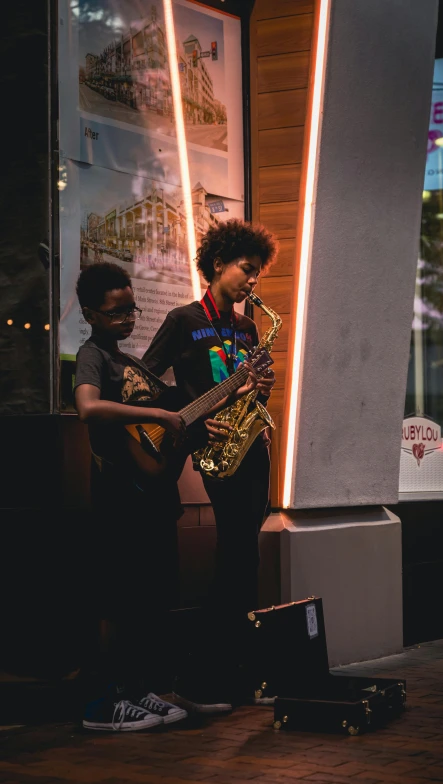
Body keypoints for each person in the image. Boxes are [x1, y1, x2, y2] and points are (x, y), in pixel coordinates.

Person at [142, 219, 278, 713]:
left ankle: (230, 674)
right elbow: (146, 382)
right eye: (247, 269)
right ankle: (200, 678)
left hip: (250, 446)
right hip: (216, 450)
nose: (252, 281)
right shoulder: (183, 320)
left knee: (246, 558)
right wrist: (194, 420)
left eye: (258, 273)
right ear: (218, 264)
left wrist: (260, 388)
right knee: (236, 555)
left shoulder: (245, 326)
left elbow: (249, 380)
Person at [74, 261, 190, 732]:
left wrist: (217, 406)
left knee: (145, 599)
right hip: (118, 497)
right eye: (117, 312)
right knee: (116, 599)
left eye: (132, 310)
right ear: (91, 314)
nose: (128, 319)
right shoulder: (93, 355)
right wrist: (160, 419)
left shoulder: (131, 362)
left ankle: (138, 690)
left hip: (150, 499)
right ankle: (106, 703)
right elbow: (87, 407)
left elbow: (176, 410)